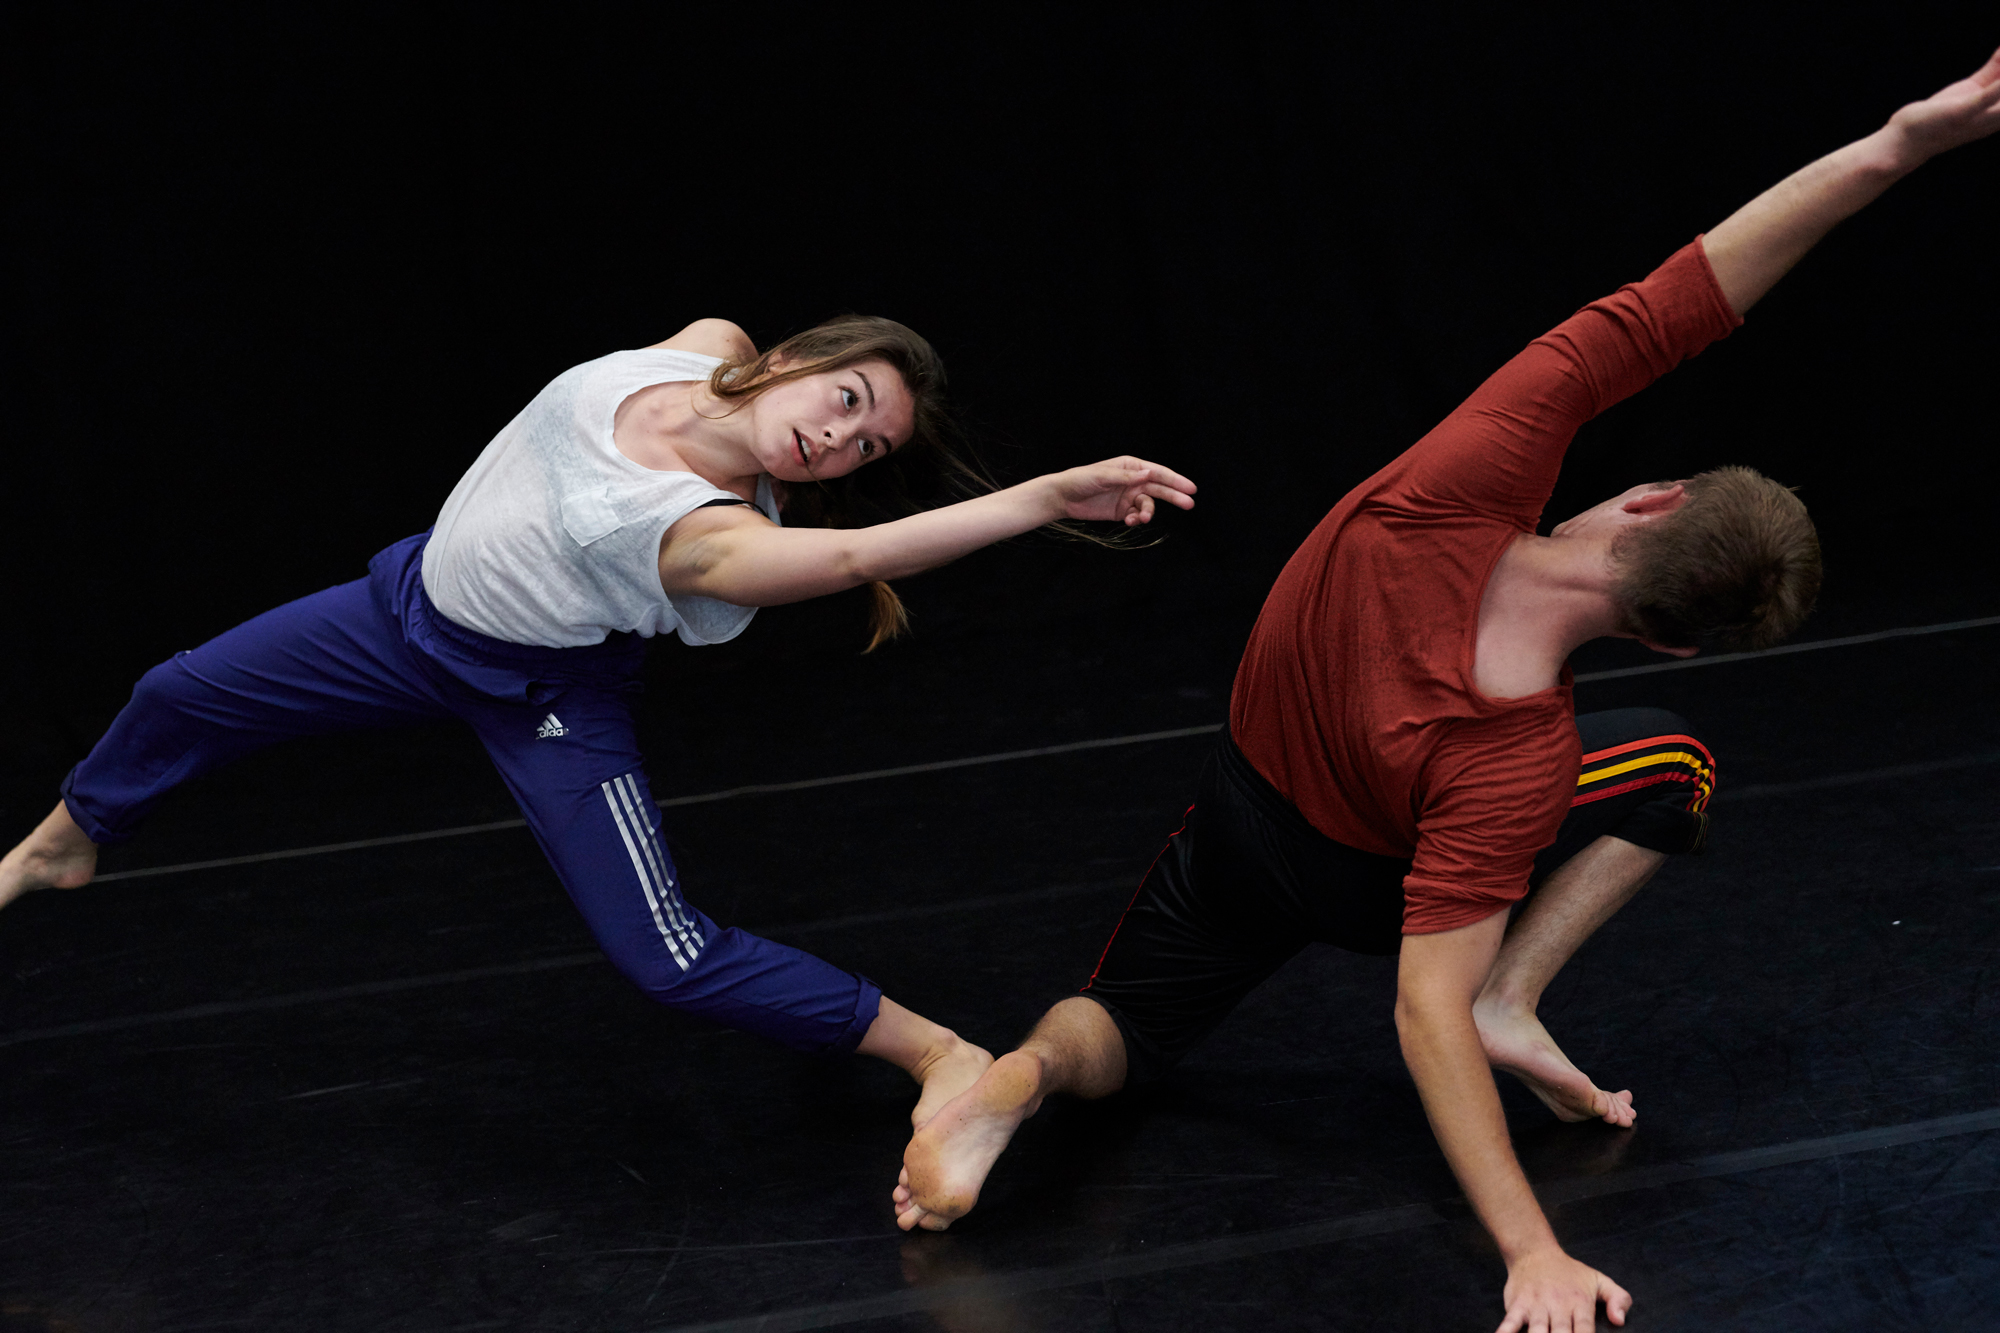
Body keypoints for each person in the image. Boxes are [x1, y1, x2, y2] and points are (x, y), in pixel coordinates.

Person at [893, 46, 2000, 1333]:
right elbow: (1419, 1010)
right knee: (1672, 770)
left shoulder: (1457, 480)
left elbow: (1680, 299)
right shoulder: (1515, 757)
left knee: (1117, 1031)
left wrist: (1901, 143)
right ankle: (1511, 996)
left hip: (1241, 817)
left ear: (1646, 502)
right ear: (1666, 642)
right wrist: (1530, 1250)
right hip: (1383, 869)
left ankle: (1016, 1079)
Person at [0, 314, 1197, 1131]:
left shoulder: (720, 533)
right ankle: (69, 835)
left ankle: (934, 1049)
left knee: (662, 955)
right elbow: (717, 339)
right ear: (786, 359)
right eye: (843, 401)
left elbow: (851, 554)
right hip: (402, 609)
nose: (836, 442)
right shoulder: (698, 351)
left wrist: (1042, 496)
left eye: (864, 445)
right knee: (175, 694)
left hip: (542, 693)